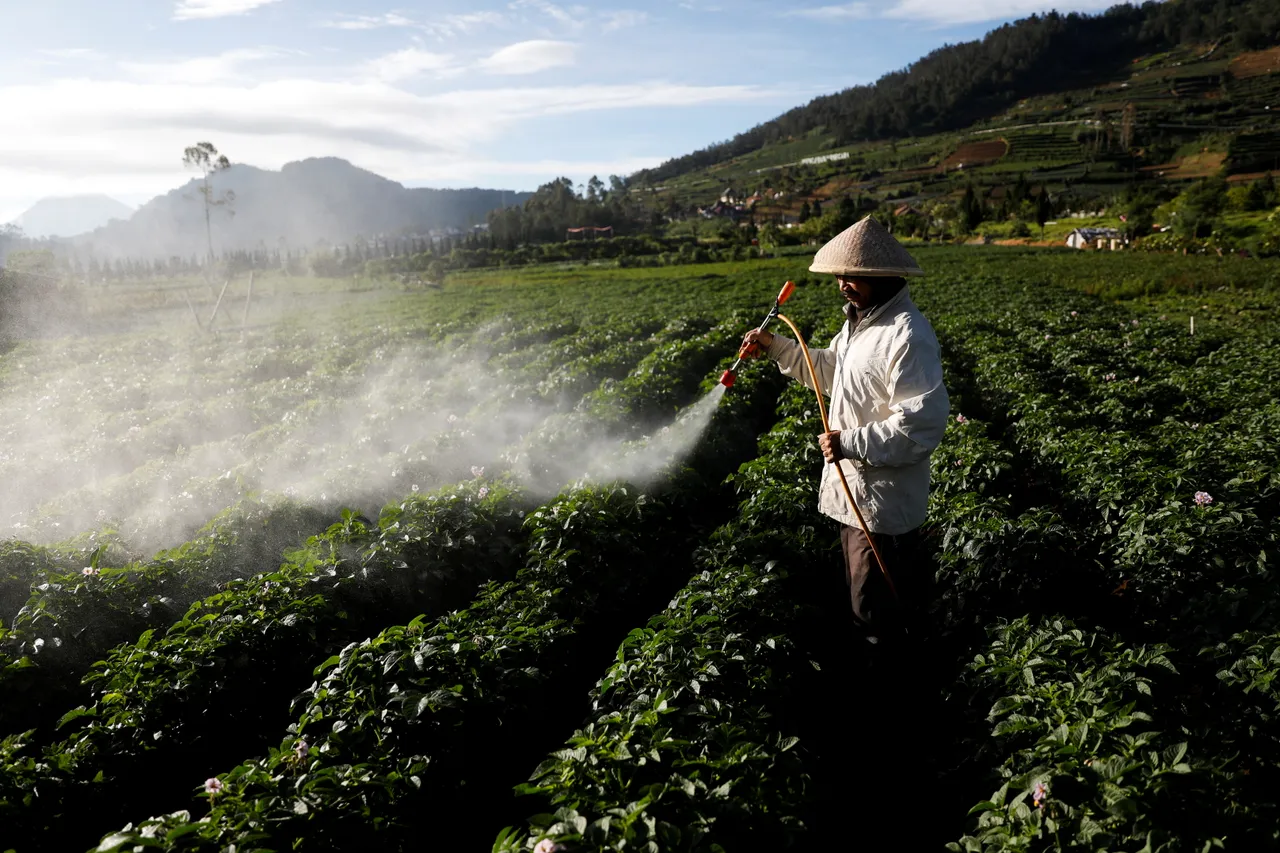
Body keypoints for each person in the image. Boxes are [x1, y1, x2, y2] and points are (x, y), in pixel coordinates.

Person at [740, 215, 949, 652]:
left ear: (883, 276)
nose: (842, 284)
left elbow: (919, 425)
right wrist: (776, 346)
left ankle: (887, 688)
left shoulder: (906, 334)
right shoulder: (860, 325)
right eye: (839, 275)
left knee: (874, 609)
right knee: (863, 598)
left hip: (880, 505)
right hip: (856, 496)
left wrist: (849, 442)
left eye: (852, 275)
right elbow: (833, 373)